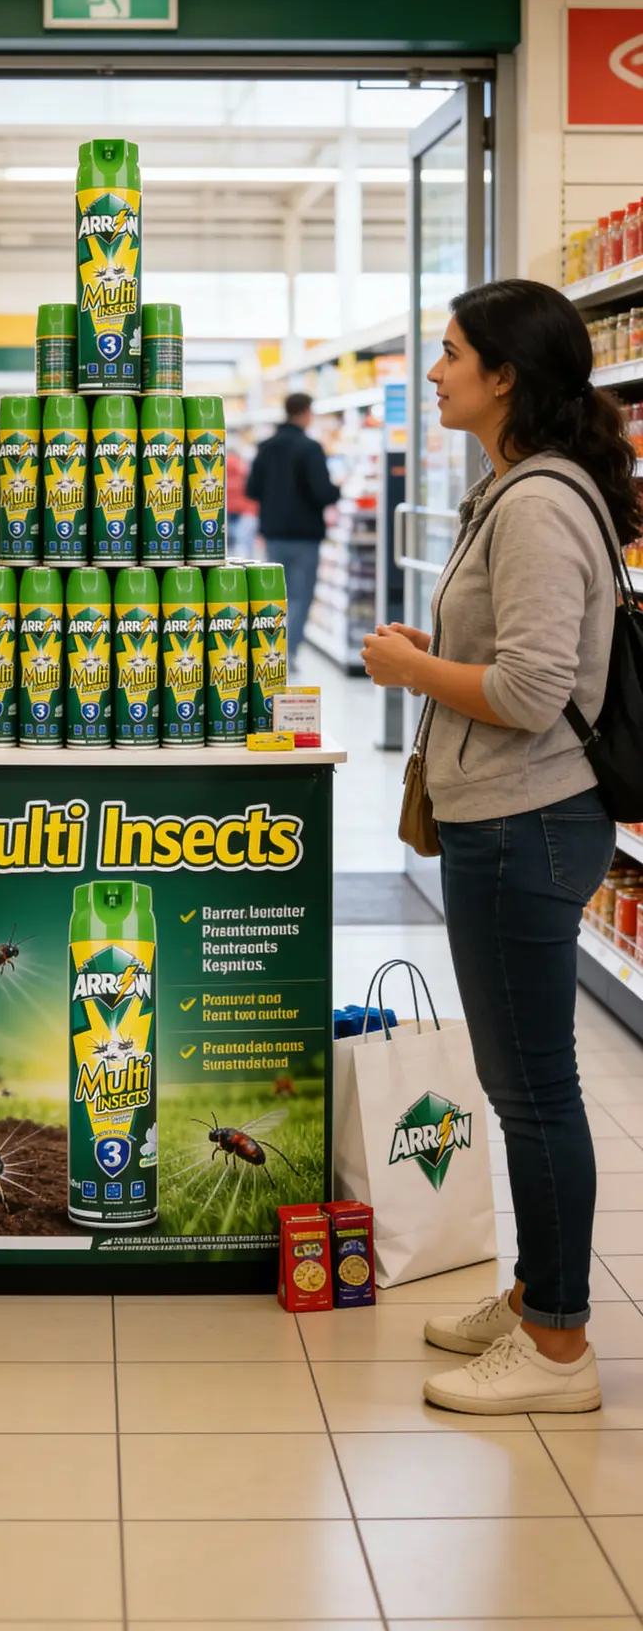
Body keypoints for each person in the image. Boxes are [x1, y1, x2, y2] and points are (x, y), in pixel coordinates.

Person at [361, 277, 638, 1417]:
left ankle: (561, 1347)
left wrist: (411, 670)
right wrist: (441, 645)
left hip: (527, 820)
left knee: (533, 1090)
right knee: (518, 1079)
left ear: (505, 375)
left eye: (451, 354)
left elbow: (529, 691)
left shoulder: (532, 503)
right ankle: (535, 1293)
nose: (435, 372)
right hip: (508, 816)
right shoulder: (512, 490)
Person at [246, 392, 340, 654]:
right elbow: (323, 492)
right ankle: (288, 653)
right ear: (306, 413)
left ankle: (269, 649)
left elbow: (252, 489)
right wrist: (337, 490)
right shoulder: (310, 448)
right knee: (300, 596)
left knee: (273, 596)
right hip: (304, 536)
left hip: (274, 534)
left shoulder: (266, 446)